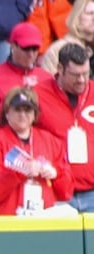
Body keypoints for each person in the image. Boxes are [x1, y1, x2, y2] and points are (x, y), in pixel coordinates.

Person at [0, 86, 72, 214]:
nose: (22, 115)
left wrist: (56, 174)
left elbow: (67, 192)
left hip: (41, 221)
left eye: (27, 110)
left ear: (35, 114)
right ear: (7, 113)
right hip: (5, 224)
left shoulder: (50, 142)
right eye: (17, 110)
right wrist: (19, 172)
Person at [34, 42, 94, 211]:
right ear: (60, 69)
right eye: (75, 75)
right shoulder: (38, 95)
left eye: (85, 73)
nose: (82, 80)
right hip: (56, 191)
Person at [0, 22, 51, 133]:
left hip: (40, 141)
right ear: (12, 45)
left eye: (34, 49)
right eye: (26, 48)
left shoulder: (46, 77)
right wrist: (12, 103)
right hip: (4, 140)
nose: (30, 54)